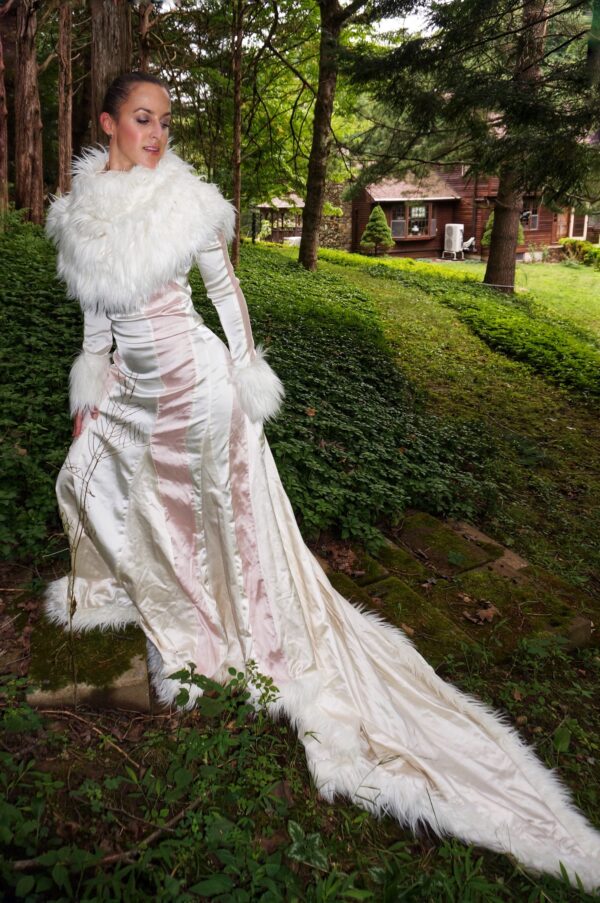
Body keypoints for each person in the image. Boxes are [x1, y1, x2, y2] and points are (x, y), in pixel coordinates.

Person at [44, 71, 600, 892]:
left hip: (199, 385)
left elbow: (225, 291)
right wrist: (90, 396)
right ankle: (190, 604)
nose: (157, 133)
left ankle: (235, 616)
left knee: (218, 512)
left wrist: (243, 371)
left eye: (165, 119)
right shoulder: (80, 219)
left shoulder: (185, 202)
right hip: (137, 391)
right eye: (142, 118)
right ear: (108, 124)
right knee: (103, 486)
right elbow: (96, 327)